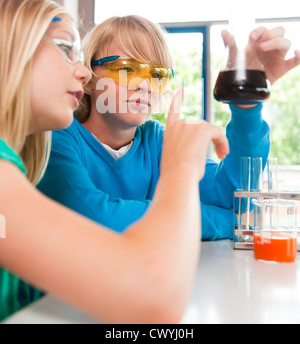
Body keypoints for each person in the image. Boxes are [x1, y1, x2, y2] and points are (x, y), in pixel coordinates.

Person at [0, 0, 231, 324]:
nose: (82, 72)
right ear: (8, 55)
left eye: (156, 75)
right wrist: (180, 169)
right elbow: (154, 300)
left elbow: (236, 194)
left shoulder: (18, 161)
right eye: (65, 49)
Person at [37, 15, 300, 240]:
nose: (145, 85)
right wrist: (222, 221)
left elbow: (232, 197)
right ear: (89, 78)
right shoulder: (57, 137)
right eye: (127, 69)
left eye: (157, 75)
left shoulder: (158, 141)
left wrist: (247, 100)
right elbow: (96, 218)